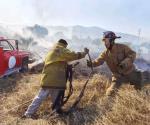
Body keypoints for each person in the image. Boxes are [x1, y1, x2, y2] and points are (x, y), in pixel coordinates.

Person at [24, 39, 89, 118]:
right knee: (51, 99)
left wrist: (33, 68)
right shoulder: (61, 49)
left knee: (42, 98)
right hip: (55, 80)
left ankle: (31, 113)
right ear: (64, 45)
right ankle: (52, 113)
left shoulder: (52, 51)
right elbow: (72, 55)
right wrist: (84, 53)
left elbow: (47, 63)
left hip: (48, 79)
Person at [87, 31, 143, 96]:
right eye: (104, 41)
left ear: (111, 40)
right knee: (110, 93)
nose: (104, 43)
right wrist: (91, 64)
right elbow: (98, 61)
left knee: (141, 86)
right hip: (118, 77)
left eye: (106, 41)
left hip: (130, 73)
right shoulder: (105, 53)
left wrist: (125, 63)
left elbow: (132, 54)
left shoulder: (122, 47)